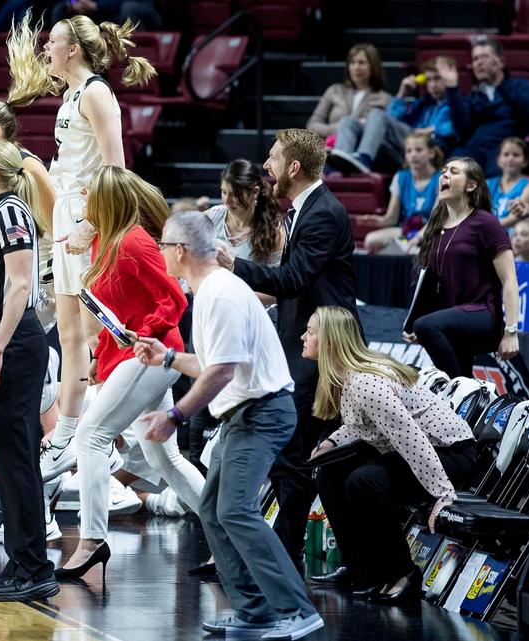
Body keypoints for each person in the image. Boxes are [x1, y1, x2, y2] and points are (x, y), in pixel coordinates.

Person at [137, 211, 323, 640]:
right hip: (247, 413)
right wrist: (166, 357)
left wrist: (174, 415)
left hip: (262, 413)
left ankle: (296, 608)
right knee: (214, 510)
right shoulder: (213, 291)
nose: (161, 252)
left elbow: (222, 371)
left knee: (236, 510)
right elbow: (212, 364)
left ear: (179, 251)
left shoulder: (219, 294)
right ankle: (254, 610)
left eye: (163, 245)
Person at [6, 11, 156, 484]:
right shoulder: (71, 95)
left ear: (73, 49)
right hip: (67, 214)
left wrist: (92, 226)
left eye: (52, 42)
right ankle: (71, 435)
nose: (45, 49)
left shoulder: (95, 92)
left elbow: (116, 170)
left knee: (93, 336)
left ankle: (109, 439)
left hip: (91, 217)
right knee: (70, 335)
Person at [55, 166, 206, 580]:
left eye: (88, 195)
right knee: (166, 458)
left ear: (106, 200)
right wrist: (101, 356)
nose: (82, 201)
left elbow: (175, 299)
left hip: (154, 355)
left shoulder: (133, 242)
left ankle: (92, 540)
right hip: (132, 356)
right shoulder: (106, 240)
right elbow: (114, 314)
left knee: (91, 436)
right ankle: (229, 527)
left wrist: (148, 334)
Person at [215, 128, 358, 564]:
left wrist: (233, 265)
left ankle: (285, 554)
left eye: (273, 158)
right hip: (302, 345)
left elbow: (293, 280)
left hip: (324, 351)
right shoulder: (304, 210)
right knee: (303, 459)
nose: (266, 166)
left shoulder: (322, 214)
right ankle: (308, 554)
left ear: (294, 167)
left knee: (293, 456)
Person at [306, 306, 477, 602]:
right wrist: (332, 442)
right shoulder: (346, 377)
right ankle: (361, 570)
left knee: (364, 481)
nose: (302, 336)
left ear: (331, 341)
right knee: (330, 472)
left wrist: (443, 495)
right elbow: (360, 424)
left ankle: (403, 574)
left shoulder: (365, 383)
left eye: (310, 331)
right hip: (418, 449)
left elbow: (412, 440)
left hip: (450, 453)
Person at [0, 98, 60, 544]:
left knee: (17, 454)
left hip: (13, 339)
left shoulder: (12, 212)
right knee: (5, 451)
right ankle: (21, 557)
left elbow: (22, 286)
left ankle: (33, 563)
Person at [405, 157, 520, 378]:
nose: (445, 175)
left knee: (427, 329)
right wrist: (422, 321)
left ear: (471, 185)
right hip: (453, 317)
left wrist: (511, 332)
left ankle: (461, 390)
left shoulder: (485, 223)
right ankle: (464, 399)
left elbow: (509, 280)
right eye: (444, 171)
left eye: (454, 172)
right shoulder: (437, 225)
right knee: (458, 393)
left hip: (482, 314)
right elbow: (433, 281)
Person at [328, 56, 456, 174]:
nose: (432, 85)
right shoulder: (423, 104)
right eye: (429, 80)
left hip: (423, 152)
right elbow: (390, 119)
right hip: (399, 147)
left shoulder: (456, 104)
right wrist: (402, 94)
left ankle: (364, 158)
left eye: (437, 79)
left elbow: (447, 130)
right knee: (348, 122)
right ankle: (342, 159)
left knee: (377, 114)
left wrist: (423, 131)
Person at [441, 38, 529, 178]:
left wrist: (500, 85)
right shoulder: (473, 96)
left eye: (484, 57)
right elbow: (461, 130)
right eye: (475, 59)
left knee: (498, 169)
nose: (479, 62)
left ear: (501, 62)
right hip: (476, 148)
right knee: (453, 167)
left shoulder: (521, 86)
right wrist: (452, 88)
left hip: (505, 147)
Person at [202, 159, 285, 289]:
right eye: (224, 192)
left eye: (235, 194)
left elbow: (280, 288)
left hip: (254, 305)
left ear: (255, 192)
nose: (227, 201)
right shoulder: (210, 217)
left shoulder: (273, 231)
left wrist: (235, 297)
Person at [364, 132, 443, 253]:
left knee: (425, 247)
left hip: (431, 234)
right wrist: (380, 221)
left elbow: (435, 221)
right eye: (409, 151)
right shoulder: (400, 177)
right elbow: (392, 218)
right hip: (405, 235)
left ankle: (415, 252)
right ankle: (411, 251)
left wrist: (418, 237)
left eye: (419, 150)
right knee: (371, 240)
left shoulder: (441, 179)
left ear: (431, 153)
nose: (413, 155)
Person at [306, 43, 390, 141]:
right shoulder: (334, 90)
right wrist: (340, 128)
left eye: (361, 63)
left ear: (373, 66)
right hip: (331, 147)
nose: (356, 67)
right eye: (352, 62)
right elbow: (312, 126)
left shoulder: (384, 98)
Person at [487, 137, 529, 226]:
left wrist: (487, 229)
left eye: (516, 155)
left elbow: (515, 218)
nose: (510, 158)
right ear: (498, 160)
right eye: (506, 154)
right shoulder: (487, 184)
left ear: (525, 161)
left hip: (515, 236)